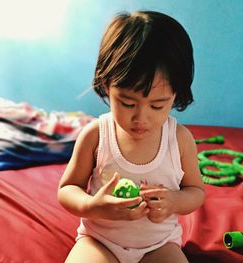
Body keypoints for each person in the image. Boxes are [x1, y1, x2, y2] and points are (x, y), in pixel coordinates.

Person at [58, 10, 205, 263]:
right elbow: (67, 189)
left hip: (159, 246)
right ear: (107, 85)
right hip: (100, 241)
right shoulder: (96, 134)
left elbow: (196, 191)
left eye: (157, 106)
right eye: (127, 103)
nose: (141, 118)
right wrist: (92, 206)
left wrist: (174, 202)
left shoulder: (179, 140)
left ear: (175, 95)